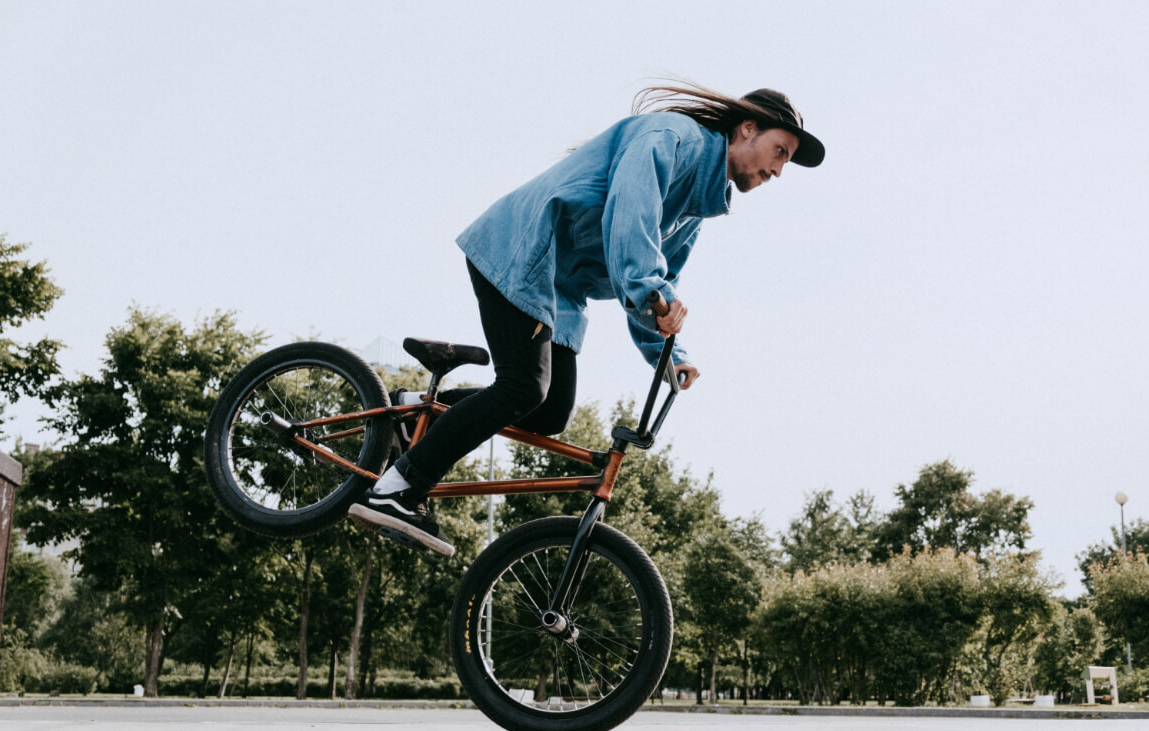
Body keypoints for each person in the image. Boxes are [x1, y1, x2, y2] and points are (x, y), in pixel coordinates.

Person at [349, 81, 825, 556]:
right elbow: (631, 227)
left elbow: (653, 287)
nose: (780, 170)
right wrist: (651, 292)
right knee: (522, 387)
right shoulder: (670, 137)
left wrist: (669, 354)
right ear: (747, 128)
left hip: (558, 287)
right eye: (780, 151)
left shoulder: (698, 206)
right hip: (525, 246)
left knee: (551, 411)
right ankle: (397, 489)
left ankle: (416, 409)